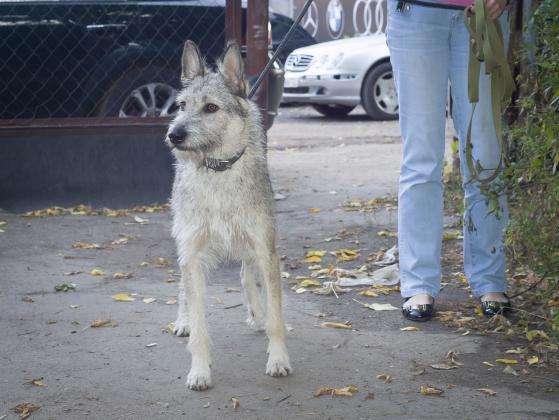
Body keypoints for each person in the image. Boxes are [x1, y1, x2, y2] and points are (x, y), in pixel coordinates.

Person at [386, 0, 512, 321]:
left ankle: (490, 280)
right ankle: (418, 282)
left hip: (484, 13)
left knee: (486, 153)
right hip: (416, 14)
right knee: (421, 157)